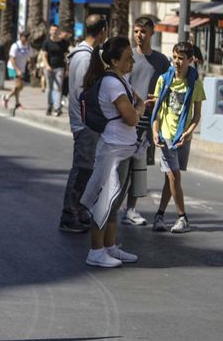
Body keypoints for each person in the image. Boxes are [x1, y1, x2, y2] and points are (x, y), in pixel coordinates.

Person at [80, 37, 152, 267]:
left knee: (115, 201)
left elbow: (137, 103)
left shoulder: (121, 80)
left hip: (124, 149)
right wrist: (139, 109)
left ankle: (109, 247)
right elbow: (131, 116)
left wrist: (137, 107)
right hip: (113, 150)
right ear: (113, 60)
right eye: (128, 58)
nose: (132, 61)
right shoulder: (112, 83)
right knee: (105, 201)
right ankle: (96, 251)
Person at [59, 14, 108, 233]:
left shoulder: (84, 55)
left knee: (86, 169)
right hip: (85, 122)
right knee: (82, 168)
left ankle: (79, 210)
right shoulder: (86, 58)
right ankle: (69, 215)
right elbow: (84, 92)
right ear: (103, 31)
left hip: (84, 121)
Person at [151, 42, 205, 234]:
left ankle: (159, 215)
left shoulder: (195, 84)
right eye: (174, 57)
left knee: (170, 179)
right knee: (174, 175)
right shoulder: (164, 80)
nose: (177, 62)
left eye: (181, 58)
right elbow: (156, 111)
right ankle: (183, 218)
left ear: (191, 60)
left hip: (183, 137)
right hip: (166, 136)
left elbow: (197, 115)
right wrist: (155, 131)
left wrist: (188, 133)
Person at [120, 16, 169, 226]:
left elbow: (168, 87)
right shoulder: (126, 55)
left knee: (139, 168)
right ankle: (112, 206)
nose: (139, 35)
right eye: (136, 31)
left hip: (149, 123)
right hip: (126, 119)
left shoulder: (161, 61)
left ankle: (131, 209)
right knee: (121, 166)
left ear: (152, 34)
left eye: (143, 32)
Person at [3, 31, 32, 115]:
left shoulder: (28, 46)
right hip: (13, 68)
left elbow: (31, 57)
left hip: (21, 68)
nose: (26, 39)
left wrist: (32, 67)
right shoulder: (15, 46)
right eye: (25, 37)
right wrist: (17, 70)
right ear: (21, 37)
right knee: (17, 86)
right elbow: (12, 59)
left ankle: (15, 102)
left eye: (27, 38)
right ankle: (8, 98)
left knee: (20, 87)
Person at [41, 24, 68, 116]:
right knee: (50, 88)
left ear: (59, 31)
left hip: (60, 68)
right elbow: (44, 56)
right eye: (52, 30)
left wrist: (67, 69)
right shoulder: (47, 42)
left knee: (58, 88)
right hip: (49, 68)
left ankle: (57, 108)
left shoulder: (63, 42)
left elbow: (66, 56)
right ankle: (49, 107)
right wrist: (47, 66)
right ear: (50, 31)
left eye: (56, 30)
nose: (54, 31)